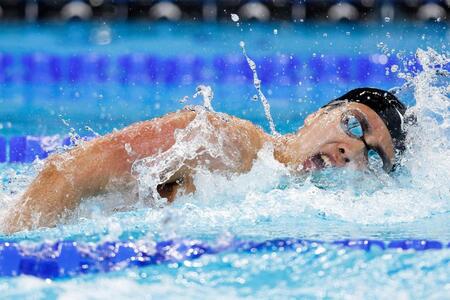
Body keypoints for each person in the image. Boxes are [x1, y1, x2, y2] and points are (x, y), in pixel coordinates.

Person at [2, 87, 411, 233]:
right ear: (318, 115)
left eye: (370, 158)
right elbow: (65, 173)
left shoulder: (284, 203)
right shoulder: (218, 140)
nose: (349, 150)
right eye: (355, 126)